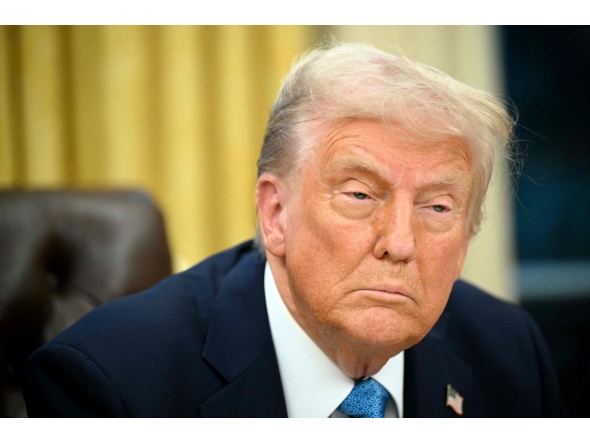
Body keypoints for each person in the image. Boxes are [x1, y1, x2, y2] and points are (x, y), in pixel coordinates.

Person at [23, 41, 565, 418]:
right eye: (359, 195)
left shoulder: (509, 354)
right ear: (275, 213)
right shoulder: (112, 382)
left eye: (439, 208)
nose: (400, 243)